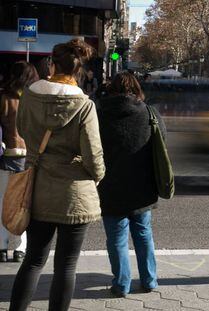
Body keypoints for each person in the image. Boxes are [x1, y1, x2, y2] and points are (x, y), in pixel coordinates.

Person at [9, 39, 105, 311]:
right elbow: (93, 154)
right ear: (79, 70)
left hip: (37, 186)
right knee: (66, 264)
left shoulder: (28, 95)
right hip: (74, 192)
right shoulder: (84, 105)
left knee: (34, 260)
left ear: (51, 64)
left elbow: (23, 130)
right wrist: (97, 176)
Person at [97, 72, 165, 297]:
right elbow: (161, 140)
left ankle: (122, 284)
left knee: (116, 238)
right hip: (143, 186)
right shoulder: (149, 112)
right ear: (136, 89)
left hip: (110, 187)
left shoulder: (99, 113)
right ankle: (149, 280)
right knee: (144, 233)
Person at [0, 61, 39, 263]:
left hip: (6, 155)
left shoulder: (4, 97)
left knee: (3, 202)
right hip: (28, 156)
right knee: (23, 204)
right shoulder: (33, 100)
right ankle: (20, 248)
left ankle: (1, 246)